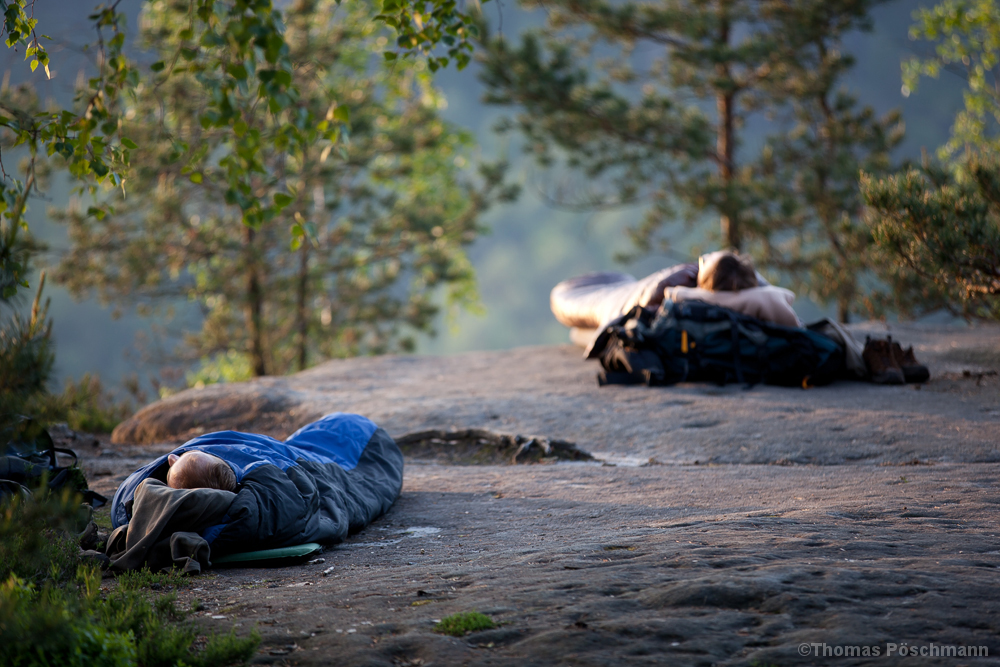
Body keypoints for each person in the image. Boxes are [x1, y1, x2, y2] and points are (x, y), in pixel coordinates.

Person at [108, 412, 403, 573]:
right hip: (333, 446)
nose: (172, 458)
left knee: (333, 428)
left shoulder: (260, 484)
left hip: (347, 438)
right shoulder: (251, 503)